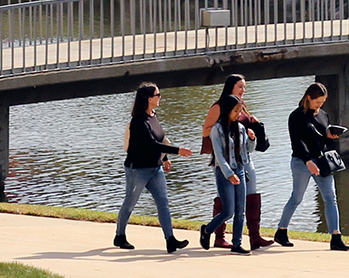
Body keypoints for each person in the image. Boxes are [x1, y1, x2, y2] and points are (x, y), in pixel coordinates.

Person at [115, 83, 193, 252]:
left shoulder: (153, 115)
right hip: (137, 169)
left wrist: (165, 159)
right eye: (158, 95)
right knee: (130, 202)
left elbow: (161, 139)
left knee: (163, 203)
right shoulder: (138, 121)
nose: (160, 98)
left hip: (155, 168)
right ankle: (120, 236)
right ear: (149, 99)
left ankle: (170, 239)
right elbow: (152, 144)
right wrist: (177, 151)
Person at [275, 81, 349, 251]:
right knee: (297, 198)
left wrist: (330, 137)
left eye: (322, 102)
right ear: (309, 98)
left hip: (321, 161)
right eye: (317, 102)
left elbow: (322, 141)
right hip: (302, 162)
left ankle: (336, 236)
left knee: (331, 197)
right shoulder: (296, 116)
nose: (320, 105)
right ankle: (281, 231)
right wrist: (308, 161)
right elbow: (297, 142)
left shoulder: (323, 115)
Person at [198, 75, 270, 248]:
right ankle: (218, 235)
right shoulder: (220, 107)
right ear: (230, 87)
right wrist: (223, 132)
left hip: (243, 159)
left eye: (244, 87)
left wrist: (251, 127)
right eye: (240, 87)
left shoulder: (241, 107)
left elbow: (247, 143)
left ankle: (252, 237)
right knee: (226, 203)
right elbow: (206, 131)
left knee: (249, 198)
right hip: (225, 161)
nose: (243, 90)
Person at [200, 94, 255, 254]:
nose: (239, 114)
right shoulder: (217, 129)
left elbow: (248, 151)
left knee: (240, 211)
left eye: (240, 111)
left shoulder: (240, 128)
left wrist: (251, 139)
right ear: (227, 110)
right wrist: (229, 174)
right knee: (228, 211)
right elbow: (218, 155)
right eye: (236, 111)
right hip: (224, 172)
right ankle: (207, 230)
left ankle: (237, 243)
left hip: (240, 169)